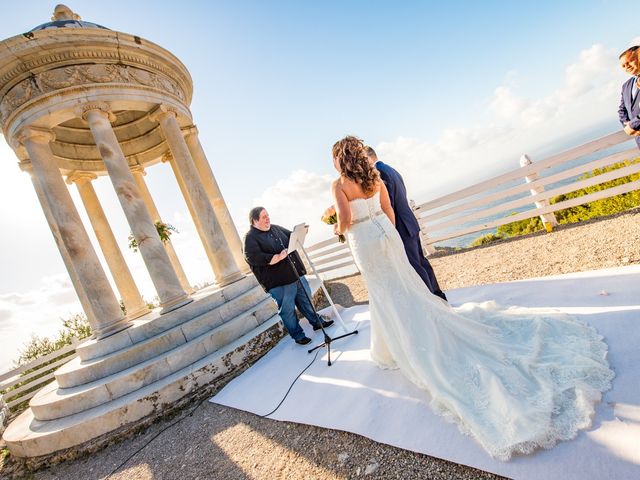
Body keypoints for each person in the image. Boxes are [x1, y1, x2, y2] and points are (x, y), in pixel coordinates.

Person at [330, 135, 614, 461]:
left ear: (340, 160)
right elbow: (389, 210)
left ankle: (395, 345)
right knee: (406, 287)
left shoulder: (338, 186)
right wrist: (388, 236)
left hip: (364, 242)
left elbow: (344, 222)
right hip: (387, 235)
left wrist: (338, 228)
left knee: (383, 293)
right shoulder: (375, 176)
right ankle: (405, 334)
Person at [364, 146, 447, 301]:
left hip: (402, 227)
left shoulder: (379, 173)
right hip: (409, 222)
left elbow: (388, 205)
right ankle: (439, 296)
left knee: (415, 265)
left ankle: (433, 302)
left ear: (368, 158)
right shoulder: (390, 169)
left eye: (362, 160)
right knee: (422, 262)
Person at [243, 207, 333, 345]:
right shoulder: (250, 238)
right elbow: (253, 258)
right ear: (254, 220)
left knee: (306, 300)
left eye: (268, 215)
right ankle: (298, 336)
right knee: (288, 311)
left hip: (296, 274)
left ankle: (317, 322)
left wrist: (301, 233)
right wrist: (277, 257)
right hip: (279, 282)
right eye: (263, 217)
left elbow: (292, 237)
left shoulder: (275, 228)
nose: (268, 218)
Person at [618, 45, 640, 148]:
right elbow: (622, 110)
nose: (627, 67)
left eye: (629, 62)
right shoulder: (625, 86)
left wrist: (633, 125)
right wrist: (628, 126)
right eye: (623, 66)